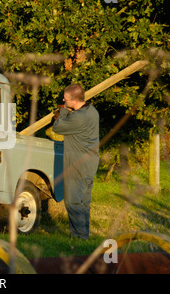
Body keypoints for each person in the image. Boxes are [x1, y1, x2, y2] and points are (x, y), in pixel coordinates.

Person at [52, 84, 99, 239]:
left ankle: (78, 237)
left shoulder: (78, 118)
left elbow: (57, 128)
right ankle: (84, 235)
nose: (63, 100)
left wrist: (63, 111)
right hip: (90, 163)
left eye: (65, 99)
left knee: (72, 202)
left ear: (74, 100)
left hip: (77, 164)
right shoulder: (92, 111)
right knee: (84, 202)